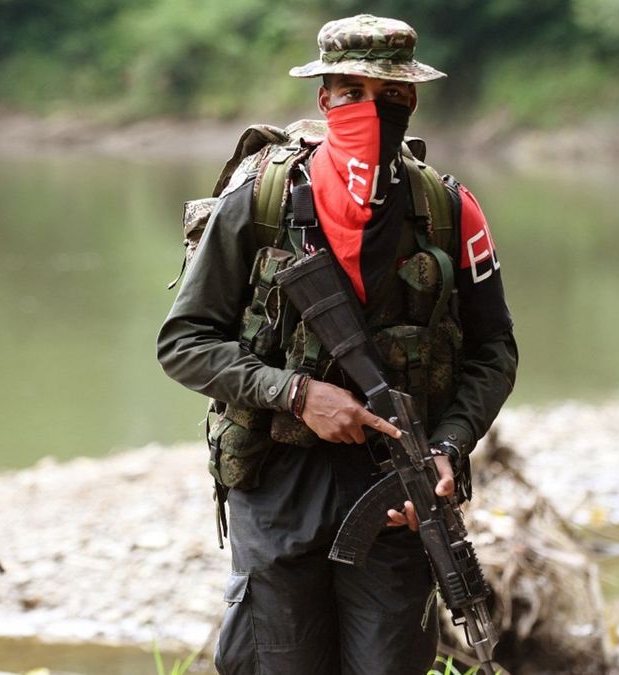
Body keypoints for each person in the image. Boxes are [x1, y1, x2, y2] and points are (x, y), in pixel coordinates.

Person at [157, 14, 518, 675]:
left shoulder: (447, 210)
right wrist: (294, 392)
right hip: (276, 478)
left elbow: (495, 350)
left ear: (412, 99)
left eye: (390, 96)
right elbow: (184, 342)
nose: (370, 111)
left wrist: (446, 446)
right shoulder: (258, 201)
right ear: (324, 98)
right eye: (352, 93)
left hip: (396, 493)